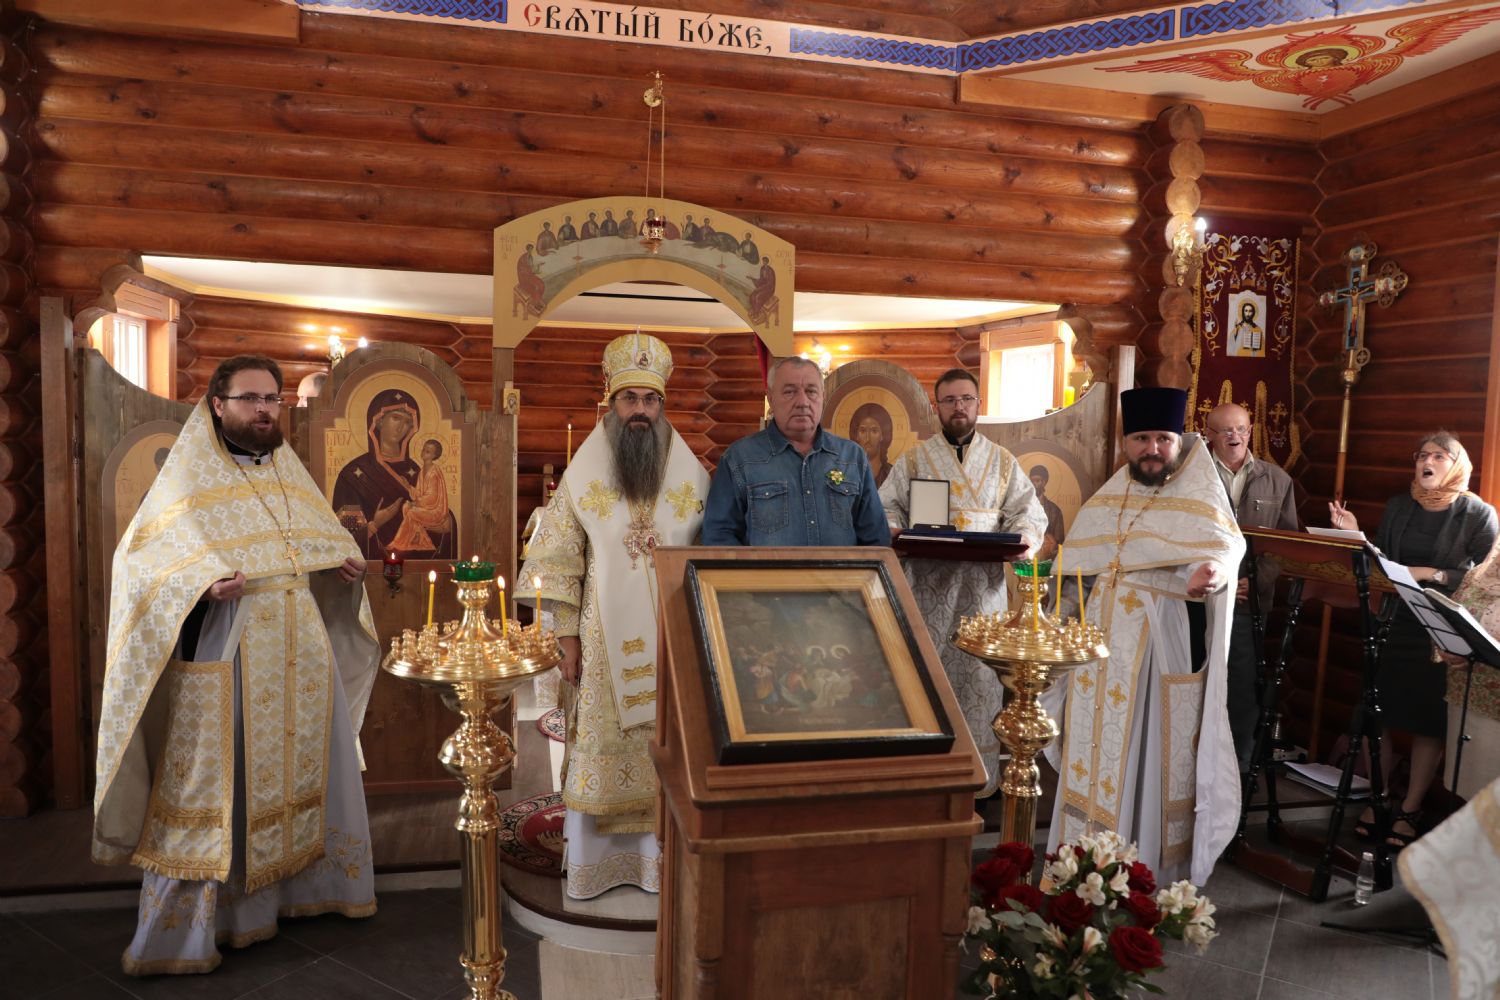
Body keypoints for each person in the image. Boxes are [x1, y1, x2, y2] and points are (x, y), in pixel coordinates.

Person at [93, 355, 380, 975]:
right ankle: (206, 925)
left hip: (302, 650)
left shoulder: (287, 470)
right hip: (231, 647)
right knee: (217, 782)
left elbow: (310, 545)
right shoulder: (187, 477)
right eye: (250, 399)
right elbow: (138, 566)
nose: (264, 410)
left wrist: (341, 566)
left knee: (310, 764)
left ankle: (304, 894)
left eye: (272, 399)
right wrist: (199, 586)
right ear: (218, 405)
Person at [518, 333, 709, 899]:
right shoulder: (585, 471)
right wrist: (566, 639)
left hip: (673, 633)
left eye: (650, 400)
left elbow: (710, 547)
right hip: (601, 639)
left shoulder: (689, 471)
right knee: (602, 742)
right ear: (612, 402)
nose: (640, 411)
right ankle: (595, 866)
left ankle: (658, 864)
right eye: (630, 399)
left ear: (662, 405)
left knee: (671, 745)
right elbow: (556, 559)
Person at [1047, 387, 1244, 885]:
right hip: (1097, 645)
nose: (1152, 449)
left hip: (1158, 640)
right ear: (1126, 442)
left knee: (1148, 750)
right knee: (1094, 754)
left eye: (1162, 438)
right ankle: (1079, 873)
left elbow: (1225, 548)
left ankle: (1141, 877)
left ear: (1178, 441)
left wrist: (1212, 573)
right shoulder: (1111, 494)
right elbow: (1080, 567)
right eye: (1141, 439)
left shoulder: (1199, 492)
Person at [878, 369, 1046, 795]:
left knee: (978, 683)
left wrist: (1025, 538)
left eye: (966, 399)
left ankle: (975, 783)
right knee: (926, 682)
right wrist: (893, 528)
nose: (959, 407)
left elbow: (1027, 512)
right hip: (926, 589)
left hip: (982, 593)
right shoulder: (914, 459)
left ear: (978, 404)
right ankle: (923, 781)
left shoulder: (1003, 461)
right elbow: (887, 507)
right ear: (937, 407)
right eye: (950, 400)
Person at [1330, 432, 1497, 847]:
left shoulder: (1478, 513)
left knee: (1428, 721)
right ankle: (1380, 797)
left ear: (1457, 465)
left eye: (1439, 456)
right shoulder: (1399, 505)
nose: (1428, 462)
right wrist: (1356, 534)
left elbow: (1486, 577)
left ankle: (1410, 808)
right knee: (1378, 712)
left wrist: (1431, 574)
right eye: (1423, 455)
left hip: (1439, 628)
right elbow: (1385, 560)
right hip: (1394, 619)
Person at [702, 356, 889, 547]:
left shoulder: (852, 457)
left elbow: (876, 540)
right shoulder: (739, 459)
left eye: (811, 391)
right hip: (769, 569)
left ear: (823, 397)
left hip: (843, 569)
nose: (802, 402)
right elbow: (718, 538)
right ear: (771, 398)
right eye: (790, 392)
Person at [1203, 402, 1300, 771]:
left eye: (1241, 429)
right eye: (1226, 430)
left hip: (1248, 603)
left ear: (1250, 431)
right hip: (1197, 598)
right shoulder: (1192, 476)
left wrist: (1255, 582)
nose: (1235, 437)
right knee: (1195, 679)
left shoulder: (1277, 480)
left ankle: (1238, 769)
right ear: (1209, 434)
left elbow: (1285, 545)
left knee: (1241, 687)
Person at [332, 388, 459, 560]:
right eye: (396, 418)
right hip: (370, 570)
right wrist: (375, 524)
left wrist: (446, 521)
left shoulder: (416, 470)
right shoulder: (353, 475)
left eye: (407, 422)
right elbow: (344, 534)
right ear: (378, 421)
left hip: (419, 567)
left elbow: (433, 506)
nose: (401, 427)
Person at [388, 438, 453, 553]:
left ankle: (399, 543)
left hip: (435, 510)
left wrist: (416, 503)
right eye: (423, 449)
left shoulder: (434, 473)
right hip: (426, 507)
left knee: (412, 512)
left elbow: (432, 497)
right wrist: (408, 486)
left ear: (434, 456)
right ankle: (417, 541)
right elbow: (419, 493)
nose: (423, 452)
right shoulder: (422, 471)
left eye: (428, 451)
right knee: (406, 507)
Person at [851, 401, 894, 486]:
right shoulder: (848, 472)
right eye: (863, 431)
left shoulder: (892, 474)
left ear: (882, 435)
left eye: (874, 431)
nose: (868, 438)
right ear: (856, 436)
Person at [1030, 464, 1067, 561]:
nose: (1034, 484)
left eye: (1037, 480)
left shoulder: (1054, 511)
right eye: (1032, 481)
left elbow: (1059, 541)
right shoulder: (1024, 508)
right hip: (1026, 559)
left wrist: (1051, 544)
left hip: (1046, 560)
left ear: (1044, 482)